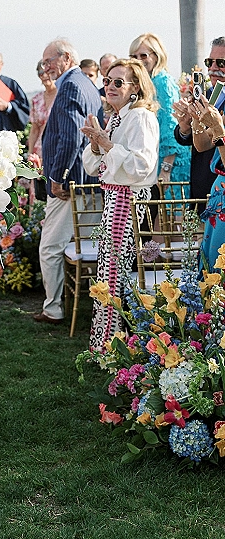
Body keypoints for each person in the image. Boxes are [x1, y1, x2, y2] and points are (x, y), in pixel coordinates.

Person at [81, 59, 159, 352]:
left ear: (135, 87)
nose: (109, 87)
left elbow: (142, 165)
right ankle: (110, 345)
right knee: (109, 274)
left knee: (120, 277)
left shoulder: (140, 117)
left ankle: (126, 346)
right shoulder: (117, 118)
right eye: (107, 81)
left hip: (130, 202)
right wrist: (96, 142)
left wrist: (108, 143)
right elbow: (95, 166)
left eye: (118, 82)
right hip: (113, 200)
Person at [34, 39, 102, 325]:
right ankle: (93, 302)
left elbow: (71, 136)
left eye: (50, 60)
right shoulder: (86, 83)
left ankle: (53, 308)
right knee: (88, 243)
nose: (46, 66)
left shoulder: (71, 85)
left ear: (67, 57)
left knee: (49, 247)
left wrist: (58, 177)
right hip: (88, 178)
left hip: (70, 183)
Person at [128, 33, 190, 192]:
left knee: (170, 214)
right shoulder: (146, 83)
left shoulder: (163, 82)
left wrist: (166, 168)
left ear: (157, 56)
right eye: (133, 56)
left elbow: (171, 127)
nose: (138, 60)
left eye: (143, 55)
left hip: (171, 165)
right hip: (154, 161)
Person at [173, 37, 225, 206]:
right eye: (209, 62)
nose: (213, 68)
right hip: (202, 185)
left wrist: (216, 126)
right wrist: (185, 126)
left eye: (220, 63)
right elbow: (193, 141)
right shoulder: (205, 94)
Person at [27, 60, 57, 202]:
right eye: (40, 73)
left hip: (56, 147)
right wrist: (30, 152)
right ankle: (36, 222)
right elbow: (34, 129)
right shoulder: (36, 99)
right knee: (38, 188)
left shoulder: (61, 96)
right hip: (39, 151)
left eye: (46, 72)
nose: (44, 76)